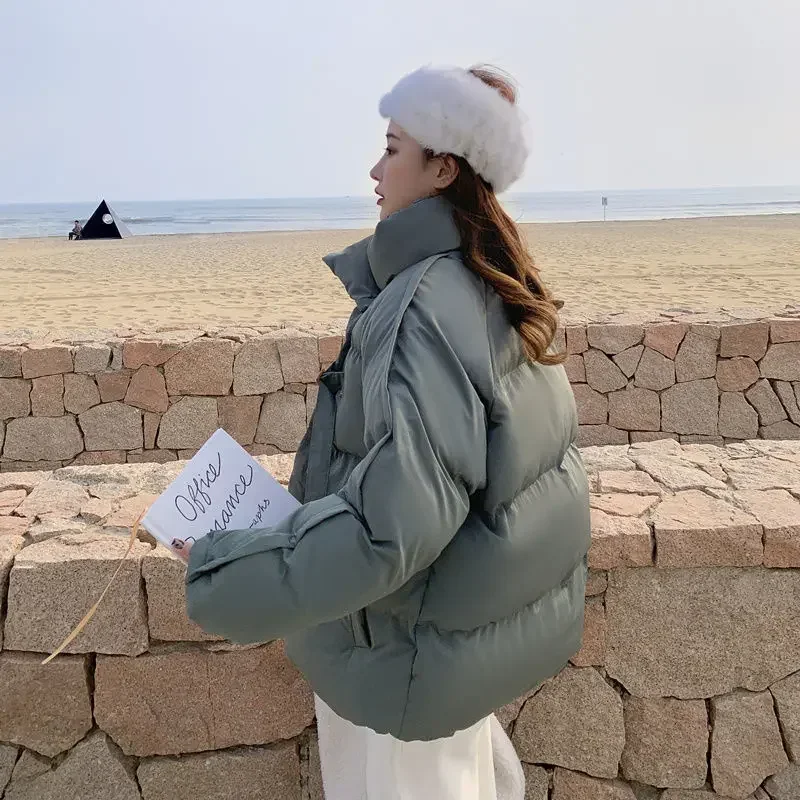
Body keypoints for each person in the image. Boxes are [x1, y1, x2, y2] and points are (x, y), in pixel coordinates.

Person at [182, 64, 591, 800]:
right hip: (451, 645)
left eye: (393, 148)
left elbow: (393, 526)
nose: (375, 170)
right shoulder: (488, 280)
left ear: (443, 169)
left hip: (401, 654)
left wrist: (225, 568)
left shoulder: (420, 306)